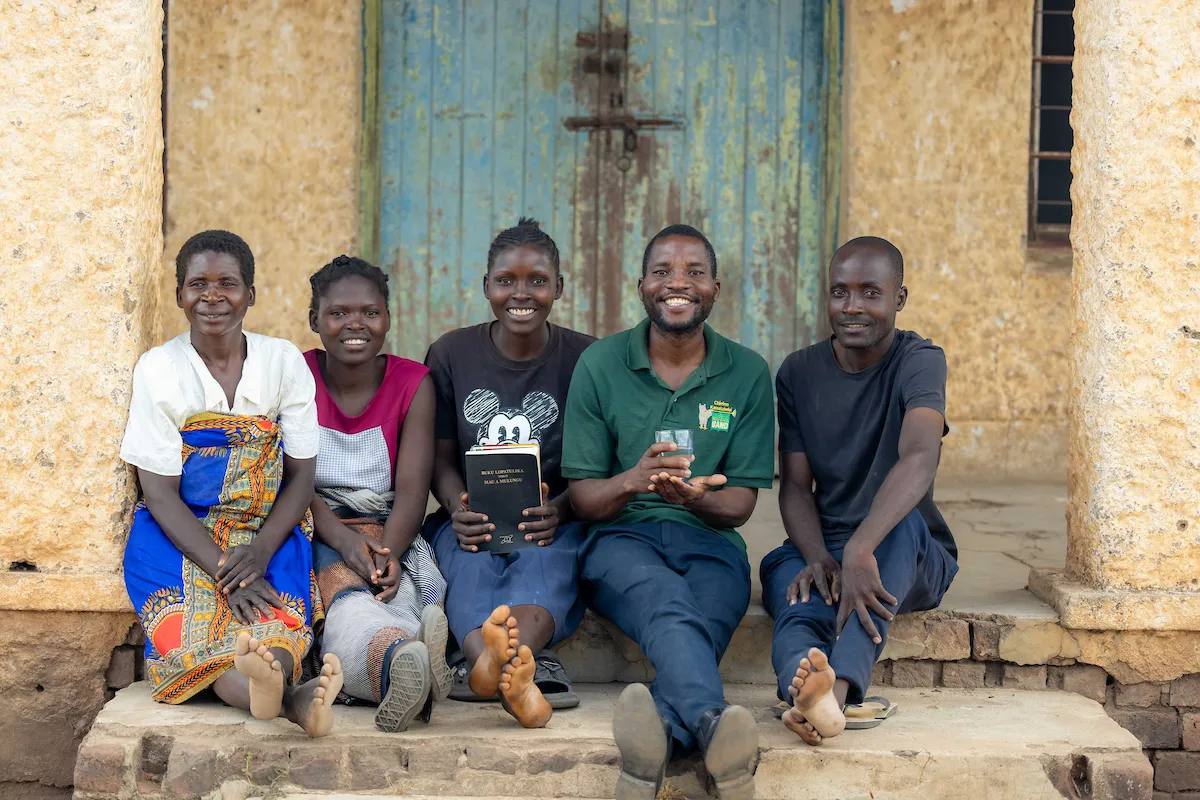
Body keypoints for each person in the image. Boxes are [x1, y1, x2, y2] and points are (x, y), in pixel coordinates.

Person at [562, 224, 775, 800]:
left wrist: (697, 498)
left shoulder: (748, 371)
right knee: (668, 605)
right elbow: (583, 497)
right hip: (621, 542)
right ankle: (712, 726)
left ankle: (658, 738)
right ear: (641, 286)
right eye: (662, 272)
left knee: (698, 614)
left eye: (693, 273)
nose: (677, 284)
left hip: (712, 544)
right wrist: (633, 479)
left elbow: (741, 506)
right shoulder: (601, 364)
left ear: (716, 288)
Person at [120, 230, 341, 736]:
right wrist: (226, 569)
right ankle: (288, 702)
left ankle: (277, 690)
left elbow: (302, 475)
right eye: (198, 283)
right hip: (179, 535)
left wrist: (260, 552)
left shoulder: (283, 361)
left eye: (228, 283)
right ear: (179, 296)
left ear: (251, 294)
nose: (212, 296)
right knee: (193, 636)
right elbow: (157, 491)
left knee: (274, 625)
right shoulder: (159, 369)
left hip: (267, 530)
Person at [762, 236, 959, 746]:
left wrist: (860, 545)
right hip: (823, 541)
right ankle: (800, 690)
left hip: (906, 547)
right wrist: (815, 555)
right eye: (839, 292)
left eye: (870, 292)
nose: (851, 307)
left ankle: (842, 690)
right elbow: (796, 488)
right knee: (793, 589)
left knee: (901, 528)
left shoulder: (920, 361)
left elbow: (920, 456)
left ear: (899, 298)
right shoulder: (798, 372)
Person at [422, 218, 594, 728]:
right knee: (469, 564)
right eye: (506, 280)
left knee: (546, 567)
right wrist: (457, 506)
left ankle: (489, 667)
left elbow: (598, 461)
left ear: (558, 287)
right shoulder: (452, 354)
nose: (522, 293)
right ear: (486, 286)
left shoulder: (586, 359)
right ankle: (503, 665)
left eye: (538, 280)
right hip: (472, 517)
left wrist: (558, 510)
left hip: (553, 518)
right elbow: (440, 457)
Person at [305, 255, 450, 733]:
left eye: (370, 312)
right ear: (315, 320)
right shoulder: (295, 376)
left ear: (388, 318)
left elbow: (413, 490)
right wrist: (346, 543)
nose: (355, 324)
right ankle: (398, 664)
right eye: (338, 313)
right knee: (344, 599)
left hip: (388, 526)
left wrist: (390, 552)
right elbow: (292, 481)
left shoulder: (412, 382)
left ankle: (409, 657)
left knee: (399, 589)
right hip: (313, 522)